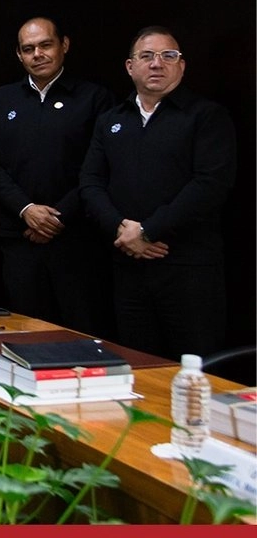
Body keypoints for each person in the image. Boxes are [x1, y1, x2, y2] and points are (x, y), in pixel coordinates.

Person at [80, 26, 235, 359]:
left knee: (194, 372)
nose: (157, 64)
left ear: (181, 65)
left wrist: (149, 231)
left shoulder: (206, 116)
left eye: (169, 56)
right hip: (128, 267)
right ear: (129, 66)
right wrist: (123, 230)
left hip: (188, 269)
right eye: (146, 56)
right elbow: (90, 183)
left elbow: (209, 185)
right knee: (138, 367)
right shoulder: (111, 119)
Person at [0, 17, 113, 333]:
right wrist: (27, 211)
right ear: (19, 55)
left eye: (45, 45)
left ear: (64, 45)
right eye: (28, 49)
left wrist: (57, 217)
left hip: (76, 242)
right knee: (24, 333)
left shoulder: (94, 98)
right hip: (19, 239)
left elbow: (98, 168)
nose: (37, 54)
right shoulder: (2, 99)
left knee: (80, 332)